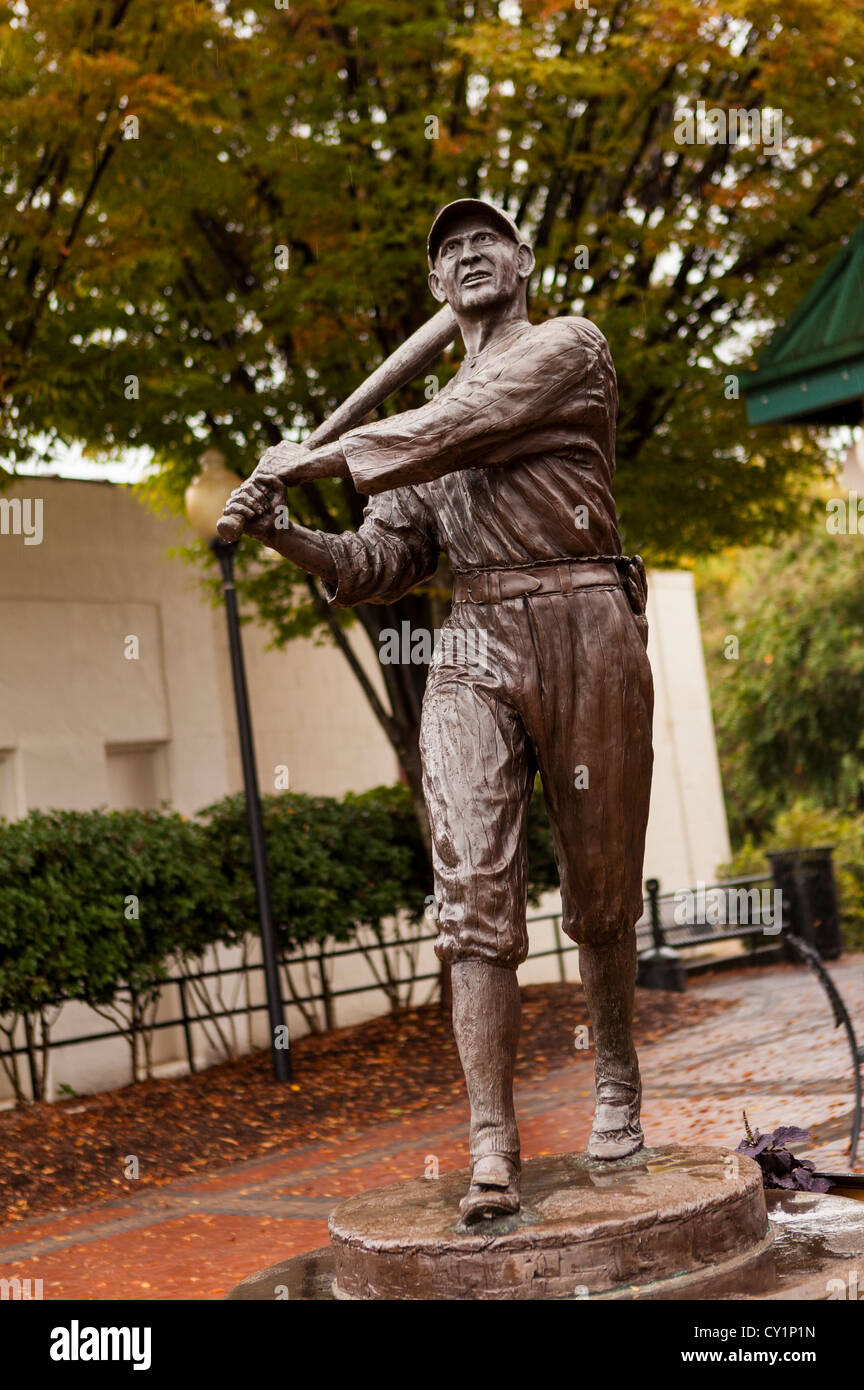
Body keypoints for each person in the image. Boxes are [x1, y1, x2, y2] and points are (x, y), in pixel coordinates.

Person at [222, 199, 654, 1223]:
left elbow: (462, 420)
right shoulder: (414, 440)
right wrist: (289, 531)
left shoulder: (564, 349)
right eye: (447, 250)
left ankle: (616, 1082)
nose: (466, 253)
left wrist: (314, 455)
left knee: (598, 895)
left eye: (484, 241)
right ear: (433, 288)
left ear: (522, 259)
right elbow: (380, 560)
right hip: (469, 641)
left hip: (584, 614)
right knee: (469, 890)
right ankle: (491, 1145)